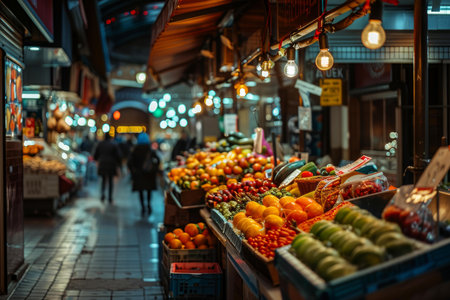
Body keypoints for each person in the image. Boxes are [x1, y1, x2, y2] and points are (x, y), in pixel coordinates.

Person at [128, 133, 160, 215]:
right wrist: (154, 169)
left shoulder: (135, 150)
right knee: (149, 191)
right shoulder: (150, 149)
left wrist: (133, 172)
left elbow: (130, 162)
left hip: (139, 175)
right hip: (149, 174)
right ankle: (149, 205)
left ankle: (143, 207)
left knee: (140, 192)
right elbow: (157, 160)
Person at [93, 133, 122, 203]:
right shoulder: (113, 144)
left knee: (103, 180)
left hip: (102, 164)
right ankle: (110, 197)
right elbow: (118, 156)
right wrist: (119, 165)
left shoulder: (100, 144)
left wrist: (97, 160)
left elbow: (95, 155)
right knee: (110, 181)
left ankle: (103, 194)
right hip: (111, 165)